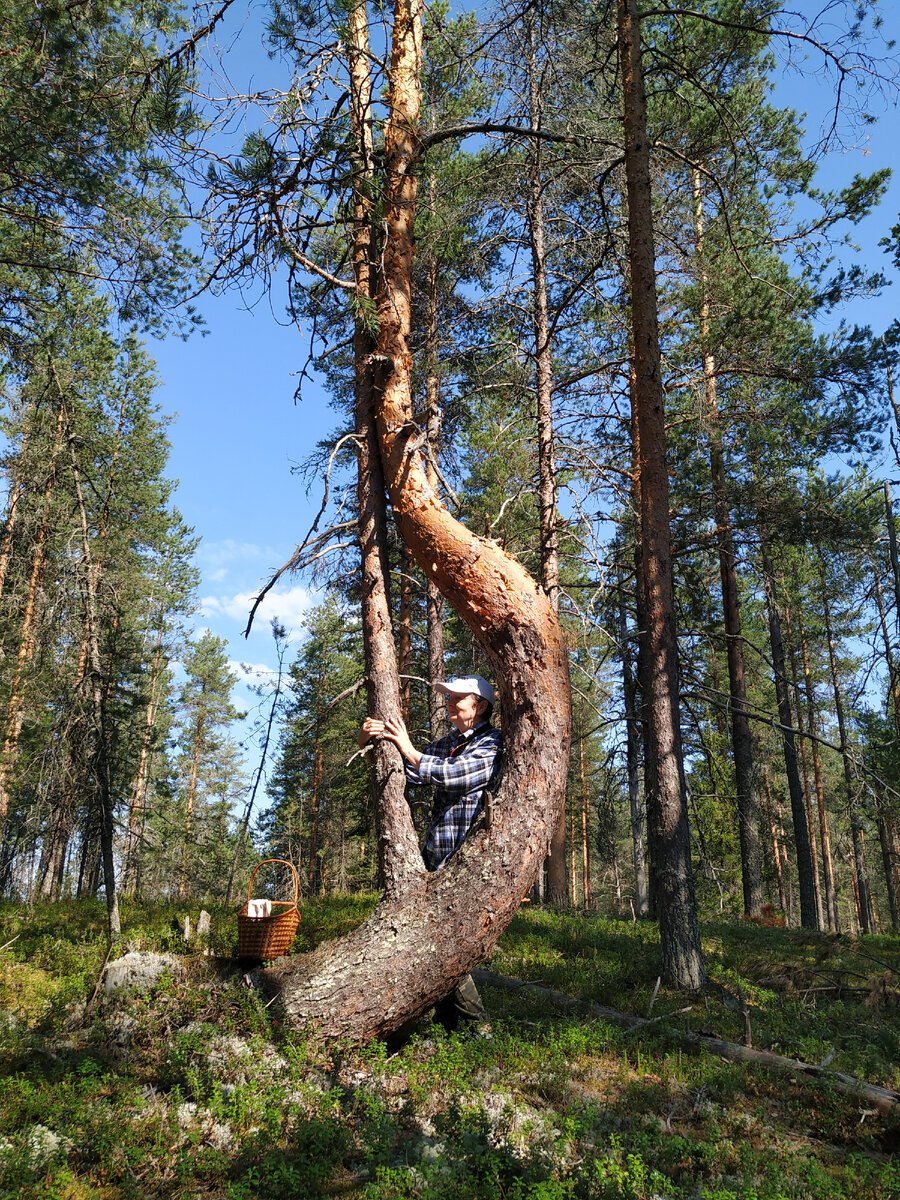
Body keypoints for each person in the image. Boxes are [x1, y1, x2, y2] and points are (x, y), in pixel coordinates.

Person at [359, 674, 503, 1033]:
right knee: (435, 940)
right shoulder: (450, 742)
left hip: (465, 860)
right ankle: (446, 1023)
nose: (450, 704)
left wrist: (409, 748)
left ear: (481, 706)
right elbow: (412, 771)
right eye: (449, 698)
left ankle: (477, 1027)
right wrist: (371, 737)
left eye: (458, 699)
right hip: (436, 855)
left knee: (446, 944)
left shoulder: (492, 743)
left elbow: (456, 775)